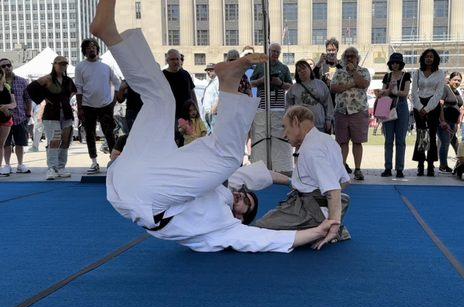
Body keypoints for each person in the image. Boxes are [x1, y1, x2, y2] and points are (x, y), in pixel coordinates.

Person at [92, 0, 337, 253]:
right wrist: (297, 183)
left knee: (229, 157)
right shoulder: (223, 187)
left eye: (247, 206)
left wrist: (318, 230)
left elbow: (266, 240)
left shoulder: (225, 229)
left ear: (241, 218)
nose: (243, 199)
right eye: (248, 196)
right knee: (160, 99)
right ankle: (110, 34)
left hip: (148, 198)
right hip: (134, 171)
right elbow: (261, 176)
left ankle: (229, 84)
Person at [253, 105, 351, 245]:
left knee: (258, 229)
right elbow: (345, 181)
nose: (284, 134)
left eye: (285, 127)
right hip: (318, 204)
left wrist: (333, 226)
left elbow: (333, 190)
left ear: (296, 122)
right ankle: (323, 222)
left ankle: (322, 227)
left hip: (309, 210)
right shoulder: (327, 140)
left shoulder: (312, 150)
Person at [27, 56, 78, 180]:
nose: (62, 66)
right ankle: (52, 168)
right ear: (54, 64)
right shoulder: (47, 79)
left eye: (65, 64)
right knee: (54, 141)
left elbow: (73, 92)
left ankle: (61, 167)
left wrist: (64, 100)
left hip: (66, 114)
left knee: (65, 141)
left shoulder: (68, 80)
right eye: (60, 64)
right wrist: (43, 99)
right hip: (51, 115)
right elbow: (30, 89)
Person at [75, 38, 121, 174]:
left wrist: (114, 101)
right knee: (90, 134)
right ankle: (94, 163)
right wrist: (80, 108)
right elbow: (79, 89)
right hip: (87, 106)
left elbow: (117, 83)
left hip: (106, 105)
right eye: (88, 47)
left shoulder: (106, 67)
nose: (92, 48)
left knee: (109, 134)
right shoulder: (80, 67)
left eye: (94, 46)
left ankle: (114, 162)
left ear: (97, 49)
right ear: (84, 51)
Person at [250, 43, 294, 174]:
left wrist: (279, 83)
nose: (275, 54)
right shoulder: (259, 66)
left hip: (278, 104)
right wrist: (262, 80)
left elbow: (290, 86)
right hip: (262, 104)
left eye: (277, 52)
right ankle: (260, 165)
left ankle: (280, 166)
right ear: (268, 51)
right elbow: (251, 83)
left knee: (279, 135)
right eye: (273, 51)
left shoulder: (284, 68)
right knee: (260, 134)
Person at [331, 47, 371, 180]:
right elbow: (334, 88)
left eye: (352, 56)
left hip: (358, 111)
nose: (349, 58)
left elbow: (364, 84)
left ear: (357, 58)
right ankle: (341, 170)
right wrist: (351, 85)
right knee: (342, 142)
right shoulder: (338, 72)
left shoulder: (363, 71)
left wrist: (353, 72)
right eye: (347, 55)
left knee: (357, 142)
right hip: (341, 111)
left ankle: (358, 169)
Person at [411, 49, 446, 177]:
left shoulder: (440, 73)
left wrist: (427, 108)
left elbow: (439, 93)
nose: (429, 58)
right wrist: (420, 107)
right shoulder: (417, 73)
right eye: (426, 56)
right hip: (418, 105)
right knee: (421, 136)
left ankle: (430, 166)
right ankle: (420, 165)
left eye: (431, 56)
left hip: (433, 106)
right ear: (423, 58)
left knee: (431, 136)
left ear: (435, 58)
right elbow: (414, 92)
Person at [377, 53, 411, 178]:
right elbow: (383, 90)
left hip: (401, 106)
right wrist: (384, 91)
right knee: (388, 139)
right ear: (390, 64)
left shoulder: (406, 75)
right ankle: (388, 167)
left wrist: (396, 92)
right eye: (393, 62)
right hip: (388, 105)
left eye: (397, 62)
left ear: (401, 63)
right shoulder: (387, 75)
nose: (395, 64)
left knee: (401, 140)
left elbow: (406, 92)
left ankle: (400, 169)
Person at [0, 58, 33, 175]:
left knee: (20, 142)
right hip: (4, 118)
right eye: (3, 66)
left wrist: (28, 113)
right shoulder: (1, 83)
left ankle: (20, 164)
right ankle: (7, 165)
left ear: (12, 65)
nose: (6, 67)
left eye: (8, 65)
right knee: (6, 143)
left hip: (20, 116)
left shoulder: (22, 81)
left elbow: (28, 99)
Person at [285, 60, 333, 133]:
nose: (302, 71)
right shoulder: (293, 88)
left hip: (319, 124)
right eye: (299, 70)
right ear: (297, 73)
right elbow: (288, 106)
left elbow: (328, 103)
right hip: (301, 125)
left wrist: (329, 120)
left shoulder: (321, 84)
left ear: (309, 69)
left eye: (304, 68)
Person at [163, 48, 197, 146]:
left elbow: (192, 93)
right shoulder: (163, 75)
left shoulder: (185, 74)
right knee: (174, 141)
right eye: (173, 59)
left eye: (177, 59)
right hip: (170, 116)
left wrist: (196, 109)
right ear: (167, 61)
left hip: (187, 115)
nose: (176, 62)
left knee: (188, 141)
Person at [438, 71, 463, 173]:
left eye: (459, 80)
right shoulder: (445, 88)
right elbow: (440, 105)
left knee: (455, 143)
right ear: (450, 80)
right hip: (445, 121)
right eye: (455, 80)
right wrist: (442, 121)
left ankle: (461, 162)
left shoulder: (456, 92)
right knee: (445, 143)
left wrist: (457, 121)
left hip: (453, 122)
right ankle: (443, 165)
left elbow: (459, 106)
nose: (457, 82)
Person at [0, 67, 16, 176]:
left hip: (5, 118)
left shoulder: (7, 86)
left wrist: (5, 106)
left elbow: (14, 104)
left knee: (1, 144)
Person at [201, 63, 219, 133]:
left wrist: (215, 107)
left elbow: (220, 96)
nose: (208, 72)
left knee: (214, 135)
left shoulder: (218, 81)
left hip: (213, 113)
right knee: (209, 135)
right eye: (207, 70)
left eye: (211, 70)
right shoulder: (211, 82)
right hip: (207, 112)